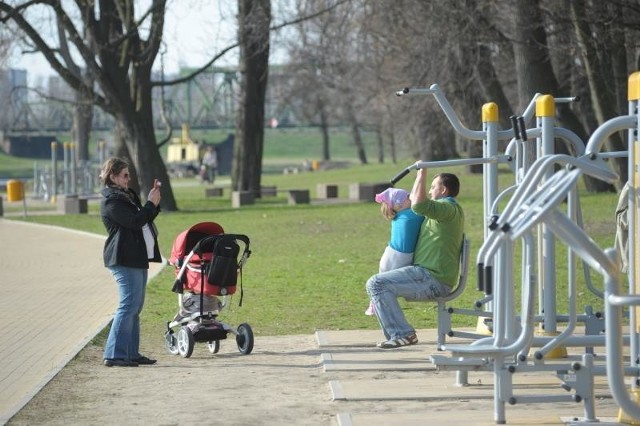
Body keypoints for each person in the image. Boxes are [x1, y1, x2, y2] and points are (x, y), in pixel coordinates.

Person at [365, 168, 464, 349]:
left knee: (376, 284)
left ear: (443, 190)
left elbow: (417, 204)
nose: (429, 190)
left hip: (433, 279)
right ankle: (400, 334)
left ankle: (403, 334)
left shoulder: (448, 208)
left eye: (433, 187)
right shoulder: (440, 211)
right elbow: (415, 206)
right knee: (377, 284)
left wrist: (422, 174)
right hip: (426, 275)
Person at [100, 157, 162, 367]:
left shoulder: (127, 196)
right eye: (125, 175)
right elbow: (134, 222)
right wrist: (150, 204)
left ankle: (130, 353)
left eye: (129, 175)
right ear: (113, 176)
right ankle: (114, 354)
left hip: (136, 255)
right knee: (127, 306)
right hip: (122, 257)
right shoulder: (111, 200)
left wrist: (154, 203)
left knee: (135, 307)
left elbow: (143, 219)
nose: (129, 179)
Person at [365, 188, 424, 315]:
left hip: (392, 256)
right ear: (400, 204)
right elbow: (425, 210)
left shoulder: (401, 216)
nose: (412, 198)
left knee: (383, 286)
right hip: (396, 258)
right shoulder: (410, 216)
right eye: (408, 197)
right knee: (384, 288)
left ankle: (375, 306)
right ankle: (376, 307)